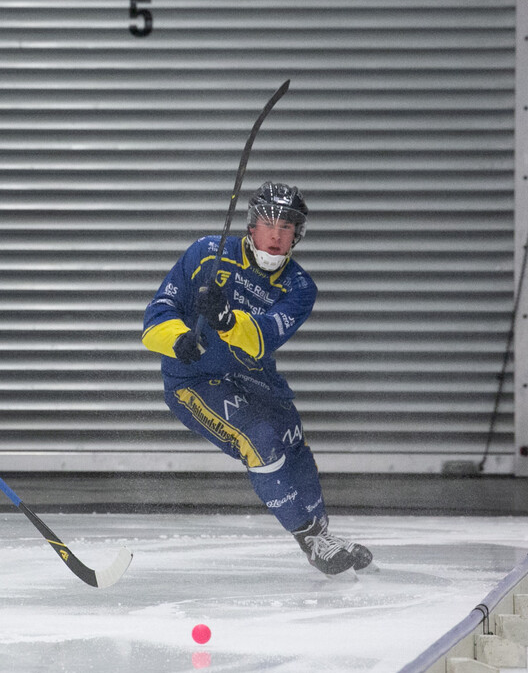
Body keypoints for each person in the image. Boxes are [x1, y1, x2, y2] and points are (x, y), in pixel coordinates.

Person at [141, 182, 373, 576]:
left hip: (252, 375)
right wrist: (179, 340)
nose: (276, 235)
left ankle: (324, 536)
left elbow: (265, 337)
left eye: (287, 226)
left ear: (297, 234)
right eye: (268, 224)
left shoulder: (300, 287)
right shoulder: (206, 253)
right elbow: (156, 316)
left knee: (291, 437)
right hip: (194, 379)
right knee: (261, 441)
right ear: (251, 226)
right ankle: (310, 539)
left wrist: (227, 320)